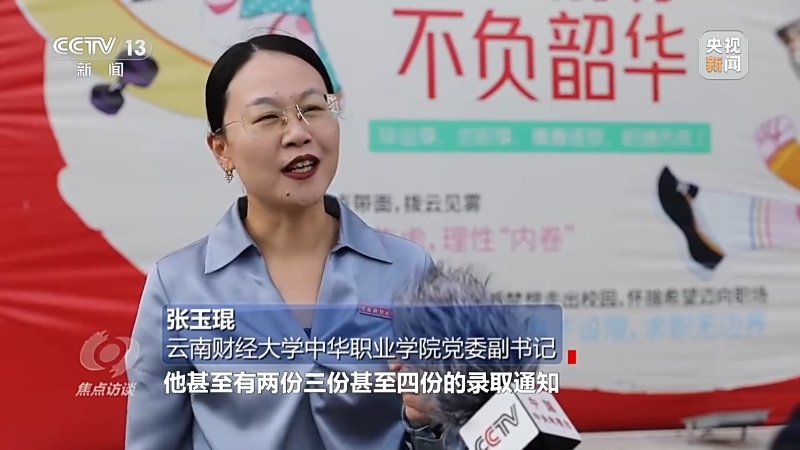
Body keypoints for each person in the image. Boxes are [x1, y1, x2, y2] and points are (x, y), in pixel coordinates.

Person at [125, 34, 449, 449]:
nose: (298, 132)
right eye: (266, 117)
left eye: (313, 109)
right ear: (221, 149)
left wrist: (429, 423)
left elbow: (455, 434)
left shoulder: (409, 270)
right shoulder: (178, 285)